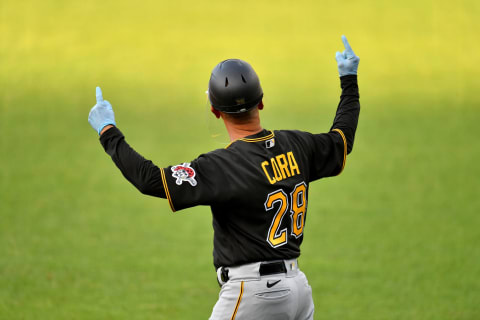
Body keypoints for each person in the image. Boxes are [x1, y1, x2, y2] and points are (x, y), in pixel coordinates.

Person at [88, 35, 360, 320]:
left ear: (215, 111)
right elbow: (342, 139)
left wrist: (108, 132)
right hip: (298, 292)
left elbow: (151, 180)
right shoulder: (298, 146)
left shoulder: (222, 166)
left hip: (253, 294)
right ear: (262, 102)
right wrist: (349, 80)